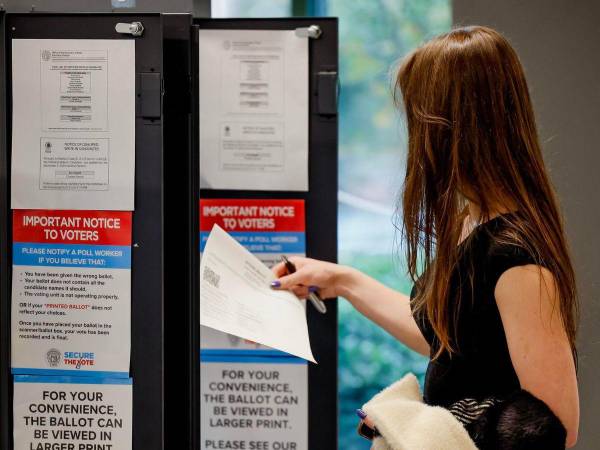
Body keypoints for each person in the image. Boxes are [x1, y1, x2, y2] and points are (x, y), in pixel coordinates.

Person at [270, 26, 579, 448]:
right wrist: (343, 280)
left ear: (455, 127)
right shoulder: (475, 222)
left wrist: (429, 428)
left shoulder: (517, 257)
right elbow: (447, 339)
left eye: (419, 118)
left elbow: (551, 426)